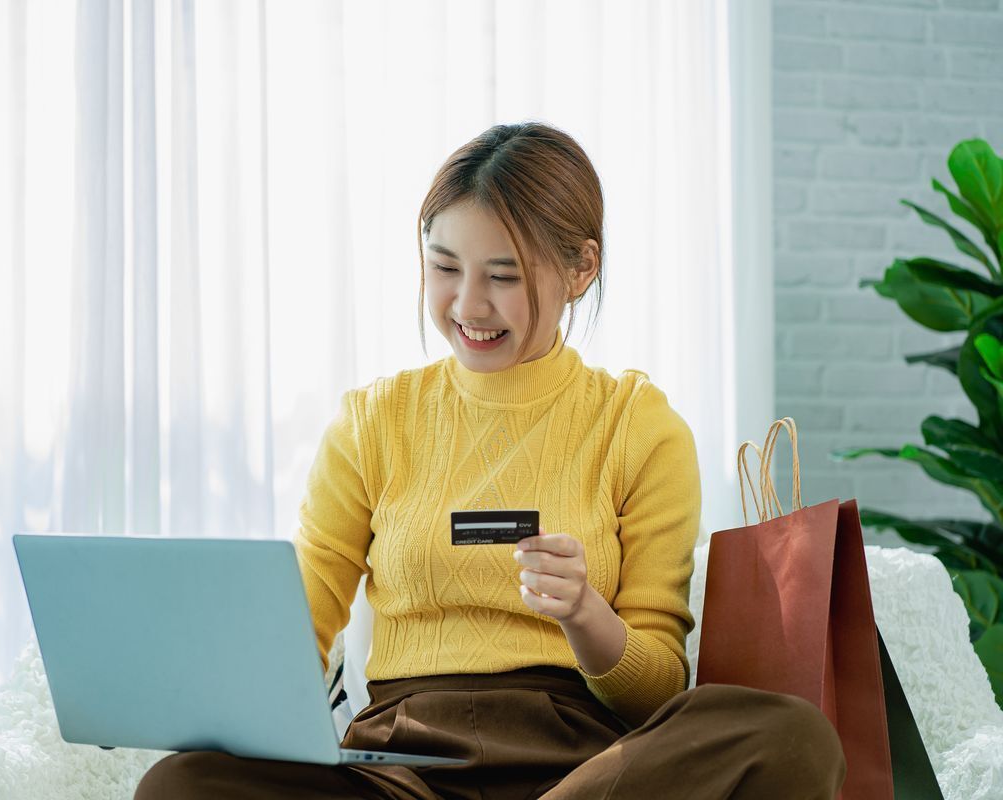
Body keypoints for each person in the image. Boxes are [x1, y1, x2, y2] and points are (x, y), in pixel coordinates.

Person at [135, 122, 846, 799]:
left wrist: (584, 612)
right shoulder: (372, 422)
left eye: (503, 275)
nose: (468, 304)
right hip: (399, 771)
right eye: (444, 267)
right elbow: (300, 626)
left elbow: (658, 688)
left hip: (585, 773)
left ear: (580, 269)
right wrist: (210, 675)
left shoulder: (638, 426)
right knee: (179, 785)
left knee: (791, 739)